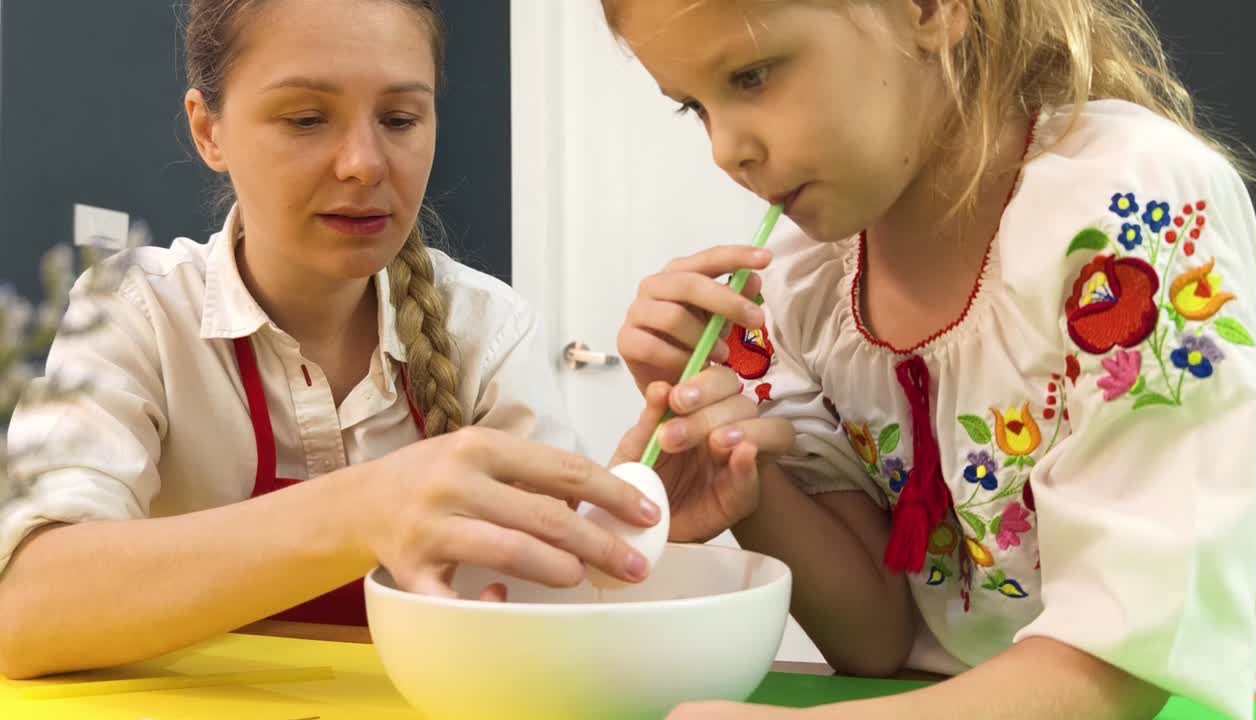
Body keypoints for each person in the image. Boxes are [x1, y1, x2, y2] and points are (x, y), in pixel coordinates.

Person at [0, 0, 790, 680]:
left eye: (401, 118)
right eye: (307, 118)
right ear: (209, 130)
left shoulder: (487, 328)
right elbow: (25, 609)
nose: (363, 164)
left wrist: (627, 518)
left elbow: (535, 614)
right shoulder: (136, 312)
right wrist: (365, 509)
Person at [605, 1, 1256, 717]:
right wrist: (748, 481)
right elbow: (876, 639)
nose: (724, 150)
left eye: (752, 76)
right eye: (694, 109)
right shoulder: (804, 283)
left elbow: (1125, 663)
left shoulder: (1127, 209)